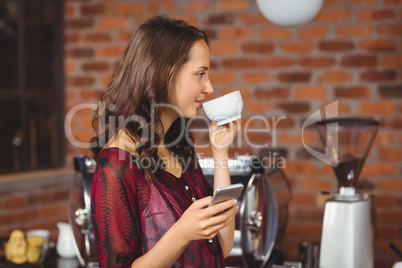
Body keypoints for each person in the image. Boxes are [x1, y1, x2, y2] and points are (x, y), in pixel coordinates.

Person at [90, 15, 241, 268]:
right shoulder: (116, 164)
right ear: (165, 73)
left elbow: (221, 248)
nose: (209, 87)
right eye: (200, 74)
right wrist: (181, 233)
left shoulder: (178, 147)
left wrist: (220, 153)